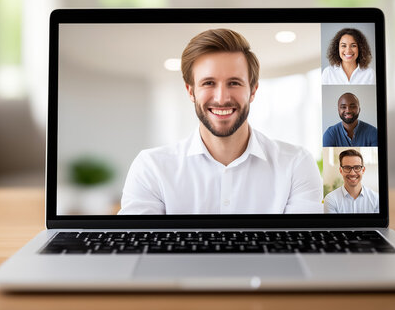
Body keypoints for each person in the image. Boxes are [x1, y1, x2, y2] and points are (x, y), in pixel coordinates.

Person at [118, 28, 323, 214]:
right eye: (208, 83)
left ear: (253, 91)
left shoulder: (296, 164)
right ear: (191, 91)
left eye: (234, 83)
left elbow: (303, 248)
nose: (222, 98)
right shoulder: (151, 168)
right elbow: (138, 251)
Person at [324, 149, 379, 213]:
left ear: (363, 170)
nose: (352, 173)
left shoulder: (376, 199)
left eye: (357, 167)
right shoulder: (331, 199)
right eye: (347, 167)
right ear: (341, 170)